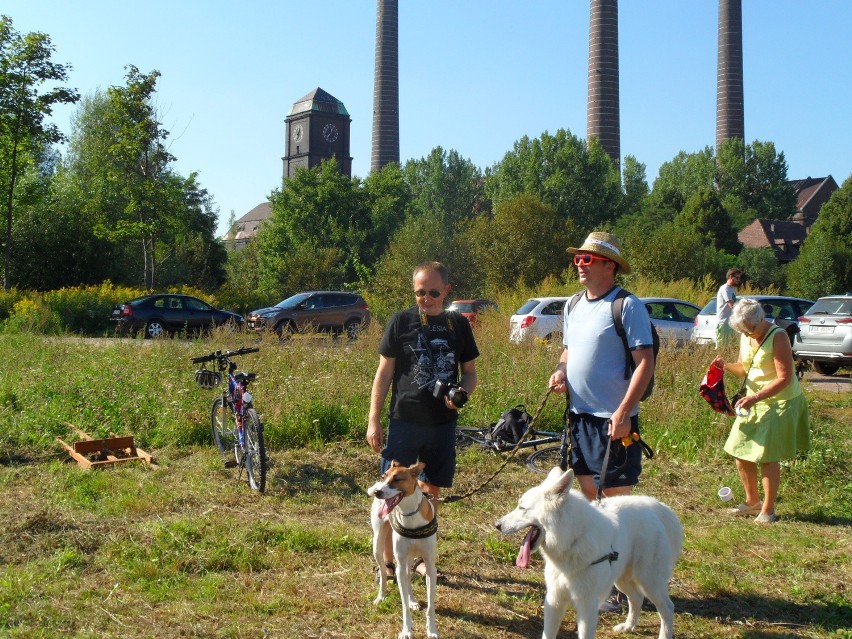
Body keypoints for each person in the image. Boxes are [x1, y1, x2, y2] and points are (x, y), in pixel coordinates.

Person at [547, 231, 654, 611]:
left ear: (610, 265)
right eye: (577, 258)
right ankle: (605, 579)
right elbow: (568, 350)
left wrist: (625, 412)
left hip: (614, 423)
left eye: (587, 259)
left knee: (617, 508)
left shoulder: (627, 306)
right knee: (592, 501)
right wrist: (561, 371)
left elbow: (645, 363)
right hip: (579, 420)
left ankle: (625, 585)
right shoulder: (573, 304)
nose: (579, 264)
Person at [367, 261, 479, 579]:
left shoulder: (458, 324)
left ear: (446, 291)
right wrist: (373, 419)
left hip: (442, 424)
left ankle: (421, 560)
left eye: (432, 292)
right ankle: (388, 565)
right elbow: (384, 372)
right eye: (419, 292)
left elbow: (470, 374)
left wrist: (462, 396)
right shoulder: (400, 322)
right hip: (404, 420)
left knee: (431, 492)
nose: (426, 298)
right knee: (390, 494)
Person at [712, 298, 810, 524]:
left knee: (767, 456)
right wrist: (724, 366)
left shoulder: (778, 336)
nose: (749, 335)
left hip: (779, 401)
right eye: (743, 331)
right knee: (740, 449)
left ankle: (768, 510)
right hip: (753, 401)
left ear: (761, 319)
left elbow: (785, 378)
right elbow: (743, 369)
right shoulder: (745, 335)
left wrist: (755, 397)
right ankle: (751, 502)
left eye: (752, 330)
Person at [716, 268, 743, 345]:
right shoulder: (725, 288)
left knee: (731, 347)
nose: (739, 280)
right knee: (722, 347)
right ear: (731, 277)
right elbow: (731, 305)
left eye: (739, 278)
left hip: (731, 322)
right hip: (724, 323)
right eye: (737, 278)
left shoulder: (732, 289)